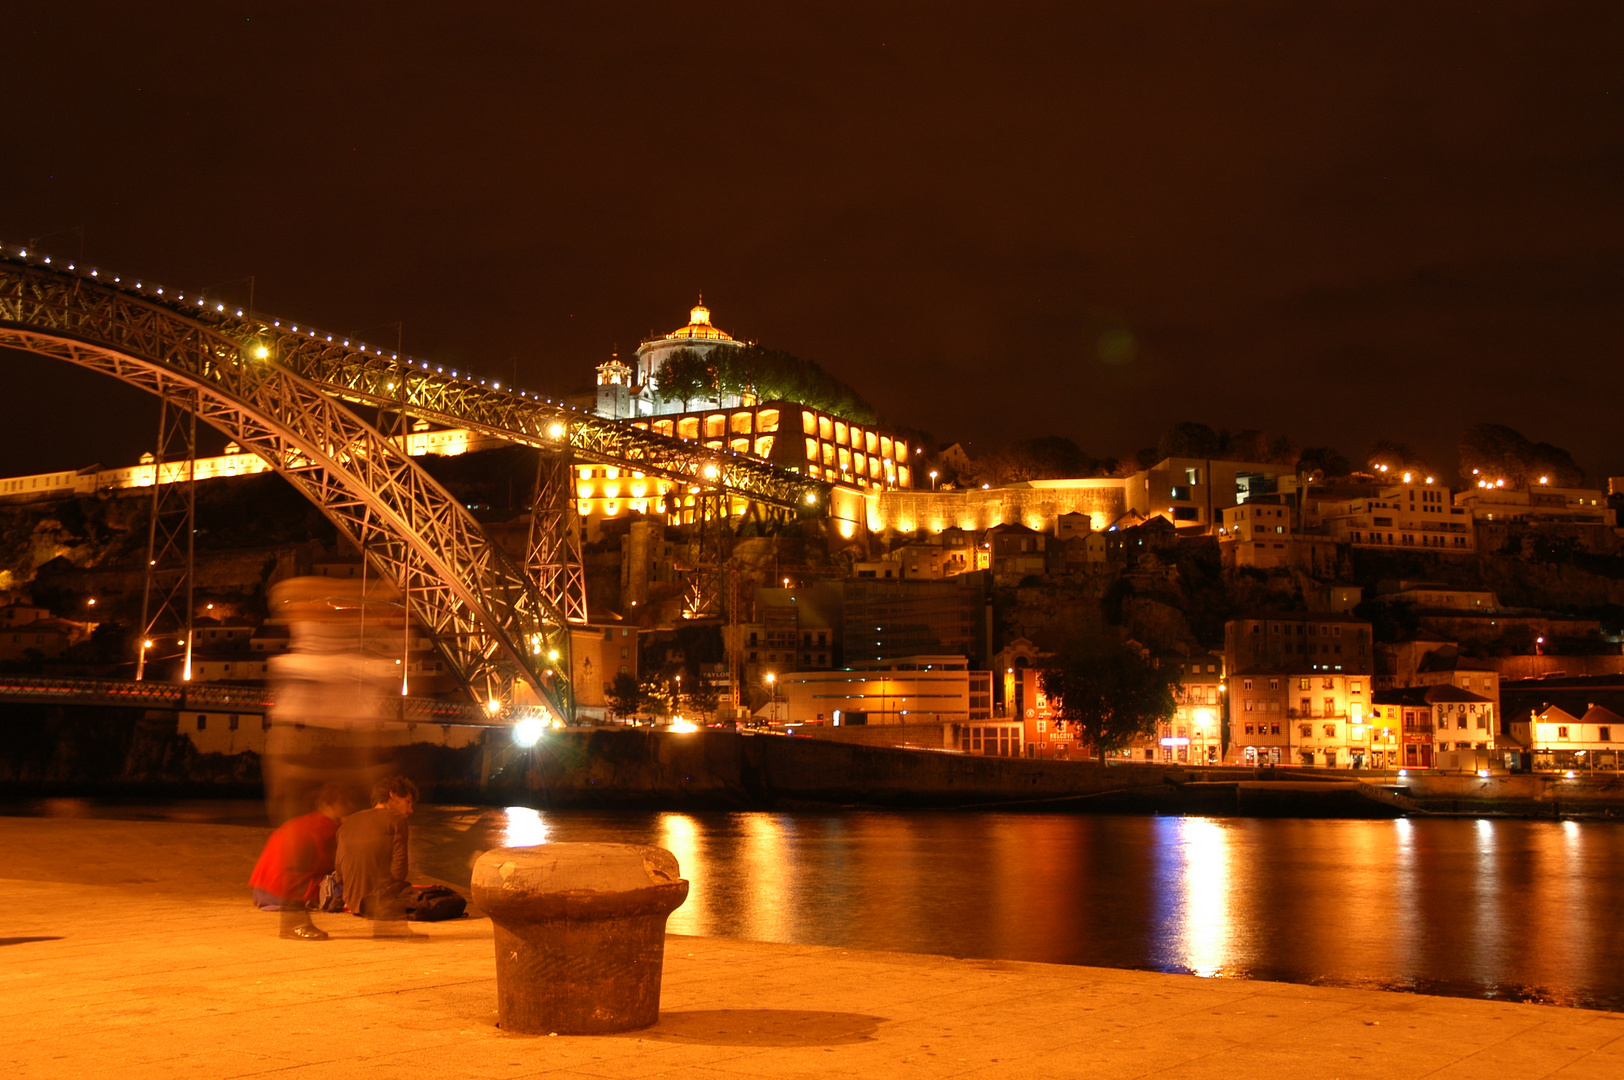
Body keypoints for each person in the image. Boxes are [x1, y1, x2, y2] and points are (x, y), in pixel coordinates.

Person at [249, 781, 354, 941]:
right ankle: (294, 925)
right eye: (343, 803)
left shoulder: (309, 822)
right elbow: (331, 865)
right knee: (338, 886)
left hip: (263, 887)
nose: (349, 806)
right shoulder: (325, 828)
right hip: (281, 889)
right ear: (327, 805)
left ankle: (294, 923)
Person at [335, 774, 421, 936]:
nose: (410, 810)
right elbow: (399, 872)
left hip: (351, 902)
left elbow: (339, 877)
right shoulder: (397, 820)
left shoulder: (350, 820)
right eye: (407, 802)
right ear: (393, 795)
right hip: (378, 903)